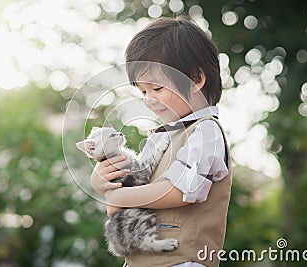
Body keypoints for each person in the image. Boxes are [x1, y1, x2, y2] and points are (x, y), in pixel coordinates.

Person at [90, 17, 232, 267]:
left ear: (195, 79)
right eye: (143, 91)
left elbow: (179, 190)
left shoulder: (206, 131)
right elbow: (135, 186)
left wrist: (118, 198)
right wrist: (104, 181)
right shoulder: (162, 136)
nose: (149, 100)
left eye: (156, 88)